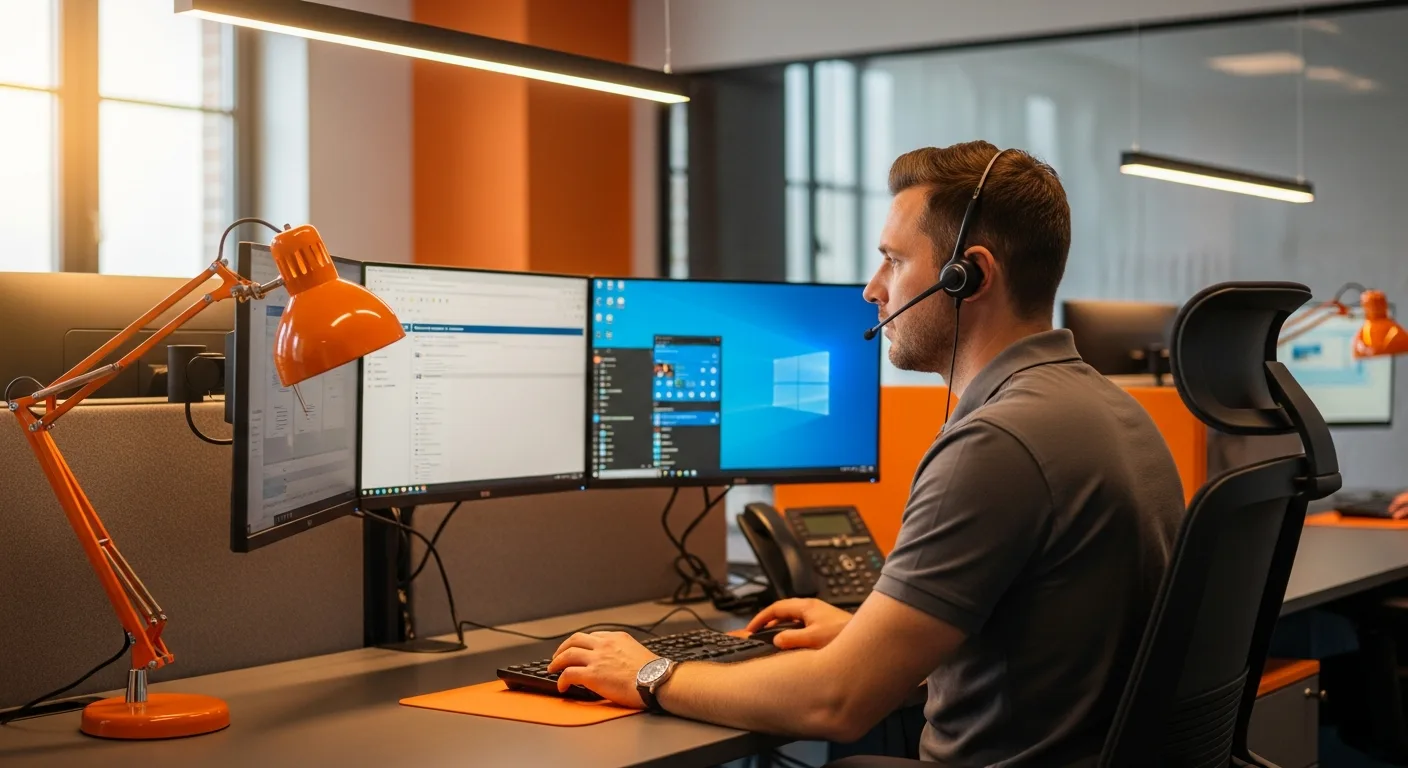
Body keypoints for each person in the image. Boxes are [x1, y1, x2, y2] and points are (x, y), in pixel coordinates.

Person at [549, 141, 1186, 767]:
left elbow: (838, 702)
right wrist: (869, 637)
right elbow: (1048, 646)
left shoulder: (997, 443)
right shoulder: (1112, 410)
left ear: (969, 276)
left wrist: (650, 672)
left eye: (893, 260)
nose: (872, 289)